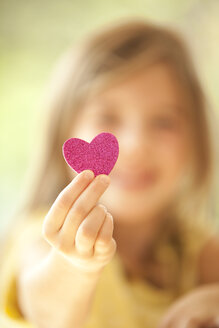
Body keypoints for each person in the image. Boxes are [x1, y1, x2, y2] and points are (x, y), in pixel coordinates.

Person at [1, 18, 219, 328]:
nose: (135, 146)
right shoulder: (41, 237)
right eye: (107, 116)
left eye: (164, 122)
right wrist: (74, 266)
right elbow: (47, 311)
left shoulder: (196, 252)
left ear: (196, 139)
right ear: (64, 132)